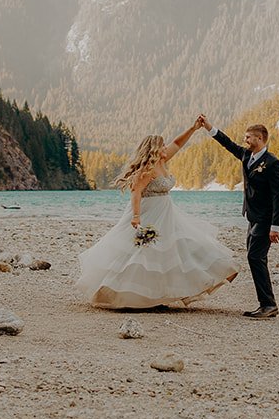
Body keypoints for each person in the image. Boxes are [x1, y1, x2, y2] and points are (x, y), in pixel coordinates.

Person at [76, 118, 239, 309]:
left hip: (166, 214)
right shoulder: (148, 169)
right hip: (148, 214)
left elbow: (178, 143)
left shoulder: (162, 160)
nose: (166, 148)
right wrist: (136, 217)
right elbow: (136, 193)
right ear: (154, 149)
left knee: (173, 250)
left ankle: (160, 296)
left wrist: (193, 129)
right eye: (162, 146)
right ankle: (130, 295)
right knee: (143, 253)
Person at [198, 116, 279, 319]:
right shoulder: (247, 156)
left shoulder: (272, 163)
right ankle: (267, 304)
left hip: (265, 219)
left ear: (260, 139)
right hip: (252, 216)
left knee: (255, 257)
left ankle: (268, 304)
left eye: (249, 137)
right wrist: (209, 127)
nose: (245, 140)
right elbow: (227, 143)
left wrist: (276, 227)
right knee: (255, 257)